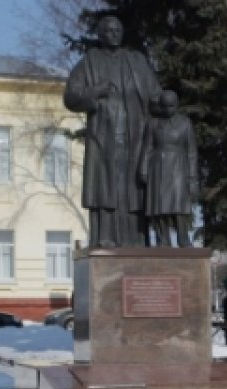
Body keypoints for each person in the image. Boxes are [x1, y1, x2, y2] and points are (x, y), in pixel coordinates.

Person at [63, 15, 161, 248]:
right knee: (105, 187)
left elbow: (155, 94)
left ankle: (138, 238)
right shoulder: (90, 61)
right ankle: (104, 236)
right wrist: (95, 91)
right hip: (104, 136)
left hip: (135, 135)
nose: (114, 33)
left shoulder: (136, 61)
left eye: (118, 29)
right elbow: (71, 97)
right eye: (109, 30)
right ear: (100, 34)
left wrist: (166, 108)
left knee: (134, 189)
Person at [140, 91, 198, 247]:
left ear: (176, 105)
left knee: (178, 206)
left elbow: (191, 153)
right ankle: (163, 239)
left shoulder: (185, 123)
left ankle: (183, 238)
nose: (168, 110)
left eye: (171, 106)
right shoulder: (153, 124)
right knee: (160, 206)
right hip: (157, 167)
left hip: (178, 168)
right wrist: (143, 168)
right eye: (165, 106)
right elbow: (147, 147)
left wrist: (192, 179)